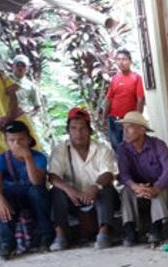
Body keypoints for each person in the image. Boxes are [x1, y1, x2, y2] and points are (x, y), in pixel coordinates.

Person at [47, 107, 119, 250]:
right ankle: (60, 235)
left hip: (98, 197)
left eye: (82, 128)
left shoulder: (102, 149)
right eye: (73, 128)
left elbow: (109, 173)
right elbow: (53, 176)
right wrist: (69, 190)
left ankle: (104, 233)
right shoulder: (60, 150)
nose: (78, 133)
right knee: (56, 192)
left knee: (107, 189)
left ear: (89, 130)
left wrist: (95, 187)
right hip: (74, 199)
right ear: (68, 131)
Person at [0, 121, 51, 259]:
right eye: (12, 140)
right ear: (6, 142)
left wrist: (27, 157)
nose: (16, 144)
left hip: (33, 197)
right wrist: (0, 200)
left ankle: (45, 237)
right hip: (13, 197)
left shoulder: (39, 157)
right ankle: (7, 244)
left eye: (21, 139)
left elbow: (37, 181)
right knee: (1, 199)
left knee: (38, 191)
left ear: (28, 139)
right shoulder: (0, 160)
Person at [115, 111, 168, 246]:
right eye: (124, 128)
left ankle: (156, 227)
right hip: (137, 187)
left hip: (158, 184)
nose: (125, 132)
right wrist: (136, 186)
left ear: (142, 130)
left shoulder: (158, 145)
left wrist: (155, 188)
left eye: (129, 127)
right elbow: (123, 174)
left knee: (159, 193)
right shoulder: (123, 149)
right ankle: (130, 228)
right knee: (126, 192)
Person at [102, 49, 145, 149]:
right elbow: (109, 99)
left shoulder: (136, 78)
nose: (121, 62)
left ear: (130, 61)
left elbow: (140, 99)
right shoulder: (115, 79)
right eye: (118, 59)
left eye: (124, 59)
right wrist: (104, 117)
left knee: (130, 148)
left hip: (129, 120)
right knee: (117, 148)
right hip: (114, 120)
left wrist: (137, 119)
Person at [11, 54, 42, 120]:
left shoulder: (31, 86)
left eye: (23, 66)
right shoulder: (4, 80)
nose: (20, 68)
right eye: (18, 65)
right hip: (4, 116)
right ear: (13, 66)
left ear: (27, 69)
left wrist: (28, 116)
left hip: (21, 119)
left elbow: (38, 107)